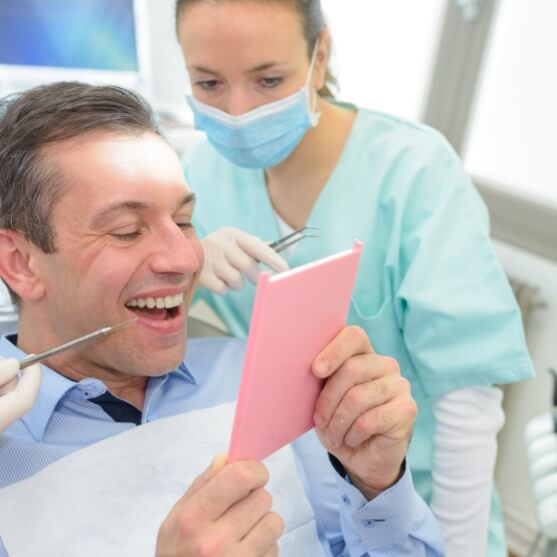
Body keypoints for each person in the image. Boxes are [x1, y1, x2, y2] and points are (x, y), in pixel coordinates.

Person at [0, 81, 444, 556]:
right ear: (22, 263)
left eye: (185, 222)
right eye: (128, 231)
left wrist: (376, 486)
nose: (186, 259)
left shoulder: (257, 376)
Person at [175, 0, 535, 554]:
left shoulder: (412, 171)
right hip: (291, 506)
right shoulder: (200, 173)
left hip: (418, 501)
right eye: (209, 83)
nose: (239, 110)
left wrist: (456, 545)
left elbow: (469, 400)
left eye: (268, 79)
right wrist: (191, 264)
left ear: (319, 57)